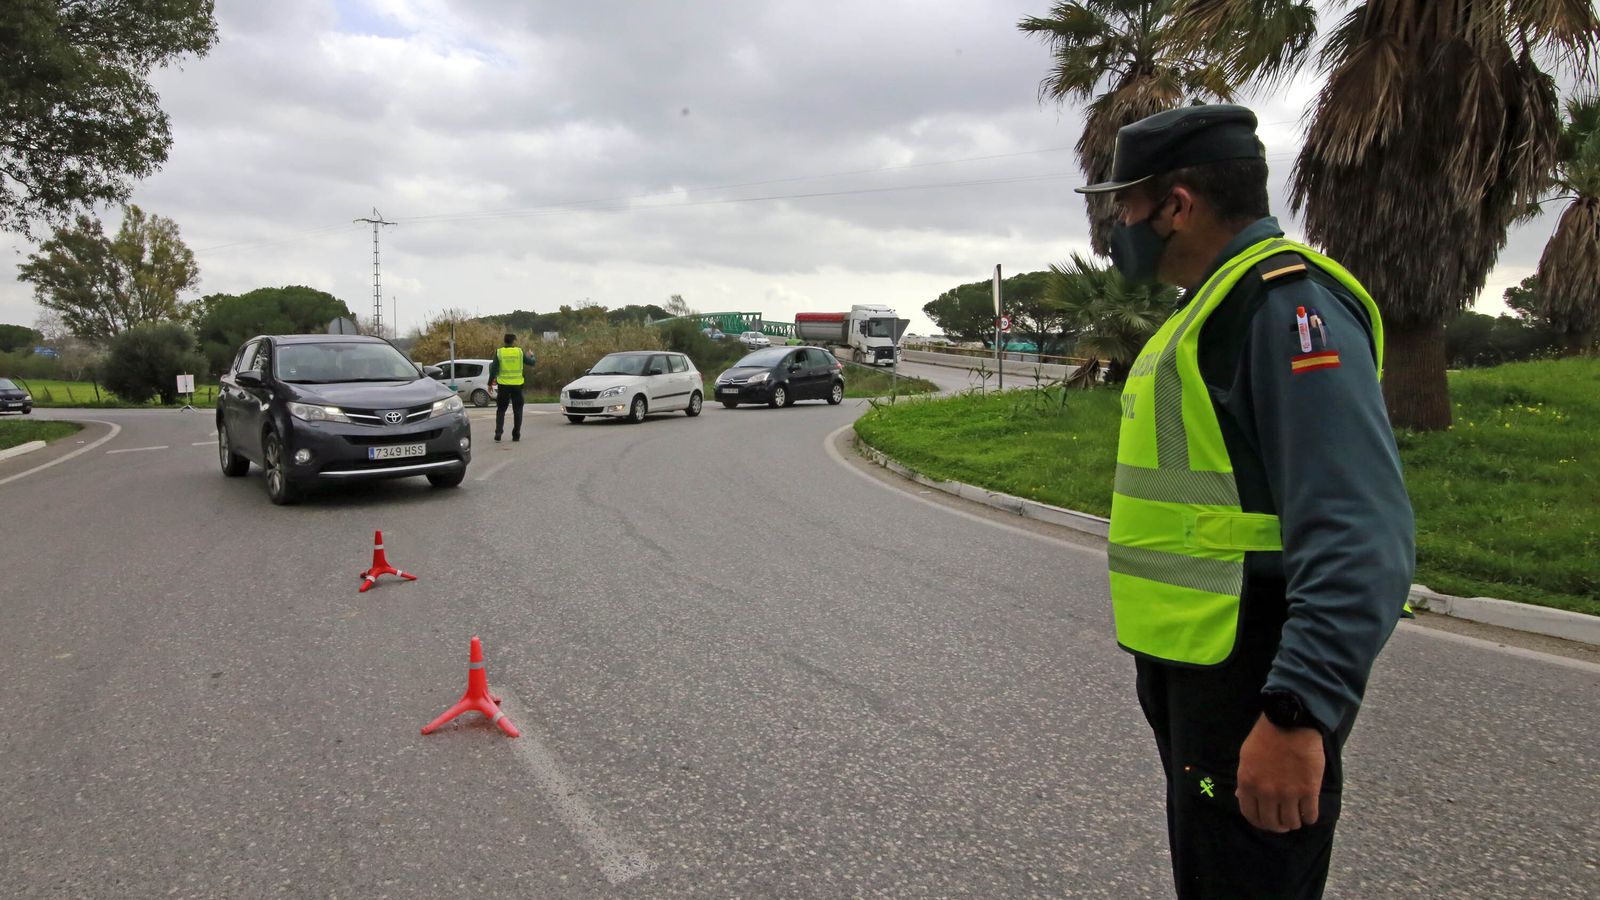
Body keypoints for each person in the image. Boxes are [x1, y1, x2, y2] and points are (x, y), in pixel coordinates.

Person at [1076, 105, 1415, 898]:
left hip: (1259, 681)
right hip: (1207, 676)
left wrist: (1299, 711)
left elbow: (1360, 528)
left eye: (1128, 204)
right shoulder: (1214, 305)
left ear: (1178, 204)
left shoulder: (1284, 307)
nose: (1118, 225)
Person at [487, 333, 536, 442]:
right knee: (518, 410)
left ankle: (498, 433)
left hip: (503, 386)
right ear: (513, 341)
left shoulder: (499, 352)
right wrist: (532, 355)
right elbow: (532, 363)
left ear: (505, 341)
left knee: (501, 410)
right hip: (517, 386)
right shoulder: (519, 352)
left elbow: (493, 369)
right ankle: (516, 434)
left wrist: (490, 384)